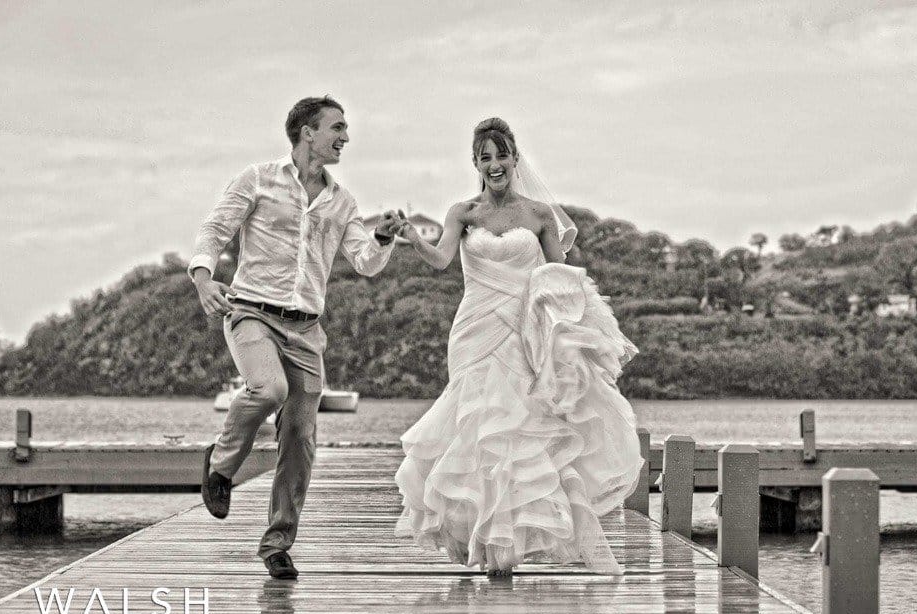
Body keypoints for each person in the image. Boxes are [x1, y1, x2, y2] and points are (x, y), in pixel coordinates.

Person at [393, 118, 641, 576]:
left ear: (514, 159)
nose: (494, 165)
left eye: (500, 155)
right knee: (479, 429)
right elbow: (442, 259)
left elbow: (563, 282)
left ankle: (513, 547)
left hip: (521, 332)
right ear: (475, 163)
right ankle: (486, 545)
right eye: (484, 157)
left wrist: (573, 343)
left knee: (525, 430)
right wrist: (412, 238)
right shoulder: (463, 213)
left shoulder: (540, 215)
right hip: (474, 329)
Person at [188, 96, 401, 579]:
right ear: (308, 132)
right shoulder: (259, 179)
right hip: (251, 314)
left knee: (300, 437)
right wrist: (203, 277)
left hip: (306, 329)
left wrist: (383, 239)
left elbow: (364, 262)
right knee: (269, 389)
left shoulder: (342, 201)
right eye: (337, 128)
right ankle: (220, 465)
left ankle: (278, 544)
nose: (345, 137)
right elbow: (214, 228)